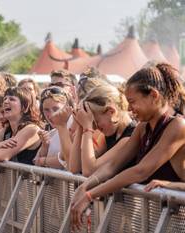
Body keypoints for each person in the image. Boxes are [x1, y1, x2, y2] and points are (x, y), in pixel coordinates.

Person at [69, 63, 185, 230]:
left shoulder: (178, 126)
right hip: (160, 219)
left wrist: (90, 195)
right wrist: (85, 186)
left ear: (153, 95)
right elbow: (113, 165)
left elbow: (141, 171)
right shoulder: (142, 128)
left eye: (132, 101)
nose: (129, 109)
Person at [68, 84, 135, 176]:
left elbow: (89, 170)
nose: (95, 127)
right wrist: (81, 125)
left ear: (111, 112)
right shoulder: (110, 135)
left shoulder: (130, 137)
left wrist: (87, 127)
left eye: (95, 121)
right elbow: (75, 167)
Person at [0, 87, 42, 165]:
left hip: (27, 177)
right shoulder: (6, 129)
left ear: (24, 107)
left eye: (12, 99)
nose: (6, 101)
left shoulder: (32, 129)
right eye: (5, 99)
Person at [33, 86, 74, 169]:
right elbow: (36, 162)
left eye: (56, 109)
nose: (51, 114)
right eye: (46, 110)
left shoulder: (74, 127)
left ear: (67, 107)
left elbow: (67, 161)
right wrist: (45, 145)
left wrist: (43, 161)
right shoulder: (52, 133)